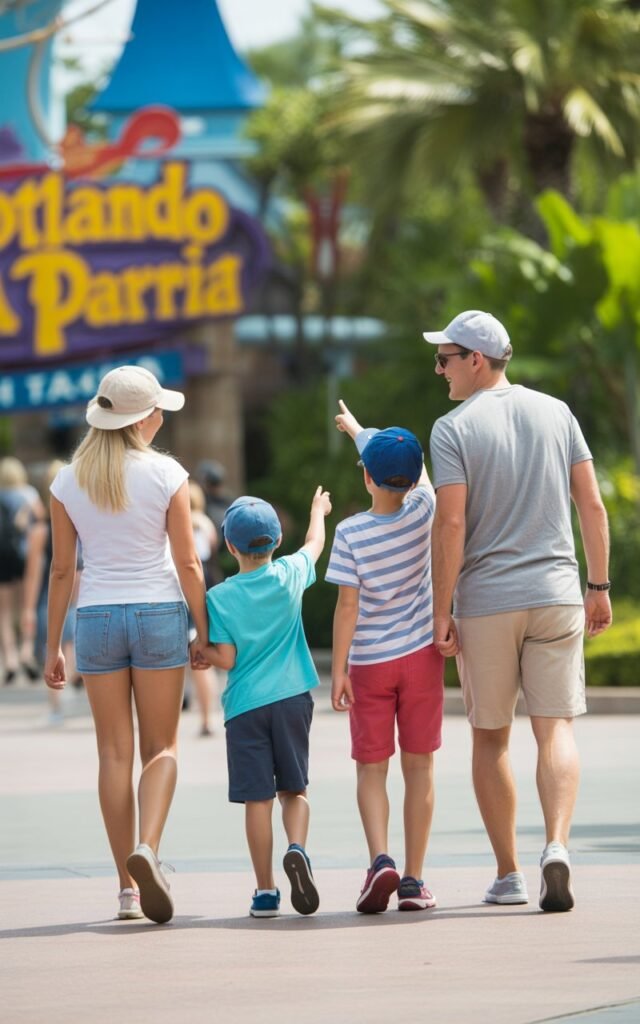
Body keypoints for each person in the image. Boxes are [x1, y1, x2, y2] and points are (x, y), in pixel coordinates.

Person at [423, 309, 612, 913]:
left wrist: (441, 608)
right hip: (557, 593)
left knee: (490, 737)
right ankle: (556, 845)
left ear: (475, 360)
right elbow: (592, 505)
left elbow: (450, 522)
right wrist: (600, 584)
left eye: (446, 358)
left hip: (487, 603)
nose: (439, 369)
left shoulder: (453, 428)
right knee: (555, 727)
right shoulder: (557, 412)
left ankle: (509, 875)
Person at [44, 365, 210, 925]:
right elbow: (188, 562)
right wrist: (205, 631)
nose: (162, 415)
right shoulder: (167, 473)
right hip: (159, 612)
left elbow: (62, 570)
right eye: (159, 409)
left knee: (113, 753)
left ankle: (126, 892)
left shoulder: (67, 481)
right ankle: (150, 848)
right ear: (144, 417)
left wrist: (51, 647)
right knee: (160, 750)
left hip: (95, 619)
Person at [326, 403, 444, 915]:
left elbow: (346, 606)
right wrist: (361, 433)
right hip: (421, 656)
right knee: (419, 767)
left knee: (371, 769)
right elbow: (413, 476)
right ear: (415, 477)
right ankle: (414, 882)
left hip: (370, 663)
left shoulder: (350, 532)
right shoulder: (426, 510)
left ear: (367, 478)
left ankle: (380, 860)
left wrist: (338, 669)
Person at [193, 488, 331, 918]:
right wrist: (317, 511)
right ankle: (297, 848)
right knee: (296, 789)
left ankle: (266, 891)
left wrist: (203, 652)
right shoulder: (291, 572)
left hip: (246, 708)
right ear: (275, 541)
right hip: (292, 698)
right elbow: (315, 544)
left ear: (230, 546)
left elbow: (228, 658)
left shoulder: (220, 598)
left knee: (258, 799)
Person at [20, 459, 80, 725]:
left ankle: (57, 706)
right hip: (83, 593)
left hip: (51, 595)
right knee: (72, 644)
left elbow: (34, 574)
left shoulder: (42, 531)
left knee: (53, 648)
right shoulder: (84, 523)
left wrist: (28, 609)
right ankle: (72, 686)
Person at [0, 456, 45, 684]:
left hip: (2, 558)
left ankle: (10, 659)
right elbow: (41, 518)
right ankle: (27, 650)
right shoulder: (29, 493)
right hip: (25, 555)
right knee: (27, 605)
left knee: (5, 612)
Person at [184, 480, 220, 735]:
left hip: (186, 595)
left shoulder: (189, 524)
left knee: (193, 660)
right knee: (203, 658)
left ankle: (205, 715)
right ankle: (207, 716)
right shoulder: (206, 524)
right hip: (206, 592)